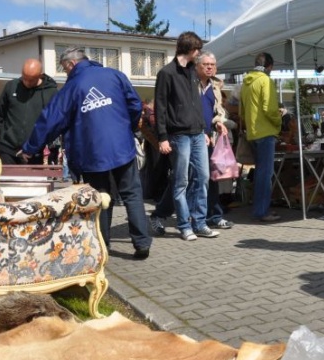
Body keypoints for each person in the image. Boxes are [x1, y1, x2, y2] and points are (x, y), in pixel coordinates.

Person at [20, 47, 151, 259]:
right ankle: (142, 244)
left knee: (100, 198)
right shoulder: (114, 75)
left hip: (91, 153)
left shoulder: (71, 87)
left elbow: (50, 120)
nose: (66, 73)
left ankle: (102, 246)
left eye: (64, 69)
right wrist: (126, 126)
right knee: (132, 194)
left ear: (71, 64)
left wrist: (30, 148)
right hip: (122, 148)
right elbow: (135, 104)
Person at [154, 32, 219, 241]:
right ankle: (184, 225)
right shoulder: (166, 73)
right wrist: (162, 137)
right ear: (191, 50)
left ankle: (199, 223)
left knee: (203, 177)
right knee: (181, 181)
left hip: (198, 133)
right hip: (178, 135)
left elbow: (197, 103)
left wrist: (204, 130)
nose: (199, 54)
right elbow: (160, 106)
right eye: (197, 50)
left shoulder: (192, 71)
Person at [0, 58, 58, 165]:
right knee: (7, 181)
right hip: (7, 149)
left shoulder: (51, 92)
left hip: (33, 153)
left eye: (31, 80)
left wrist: (37, 145)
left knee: (31, 182)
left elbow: (53, 123)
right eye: (24, 78)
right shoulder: (11, 86)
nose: (26, 82)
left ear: (40, 75)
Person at [240, 52, 282, 222]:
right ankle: (262, 211)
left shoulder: (246, 83)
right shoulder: (265, 80)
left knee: (260, 172)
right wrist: (279, 120)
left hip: (253, 132)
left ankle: (259, 208)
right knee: (266, 173)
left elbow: (242, 111)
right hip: (266, 132)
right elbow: (269, 108)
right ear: (269, 67)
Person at [194, 51, 234, 229]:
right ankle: (163, 213)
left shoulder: (215, 87)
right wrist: (199, 130)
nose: (210, 67)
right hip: (192, 137)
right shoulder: (190, 85)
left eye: (212, 64)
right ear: (197, 66)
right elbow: (188, 112)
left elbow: (218, 111)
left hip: (209, 139)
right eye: (206, 64)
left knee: (211, 177)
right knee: (187, 180)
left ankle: (215, 215)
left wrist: (219, 122)